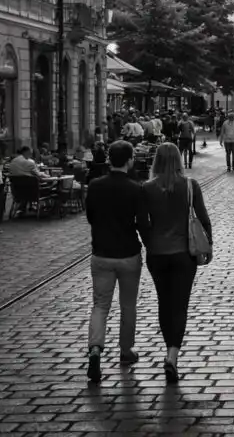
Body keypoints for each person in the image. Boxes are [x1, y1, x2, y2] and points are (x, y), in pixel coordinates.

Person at [142, 143, 212, 384]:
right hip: (184, 253)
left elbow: (142, 222)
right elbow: (203, 219)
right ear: (179, 159)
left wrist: (149, 242)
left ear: (156, 161)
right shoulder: (190, 186)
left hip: (157, 254)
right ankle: (172, 355)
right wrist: (208, 246)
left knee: (164, 303)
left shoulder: (147, 188)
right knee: (180, 305)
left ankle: (168, 347)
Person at [84, 140, 149, 384]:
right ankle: (125, 350)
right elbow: (142, 223)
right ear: (130, 160)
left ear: (110, 159)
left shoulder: (95, 185)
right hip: (128, 254)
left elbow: (90, 216)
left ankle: (95, 349)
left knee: (100, 305)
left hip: (101, 253)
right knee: (128, 304)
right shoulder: (136, 188)